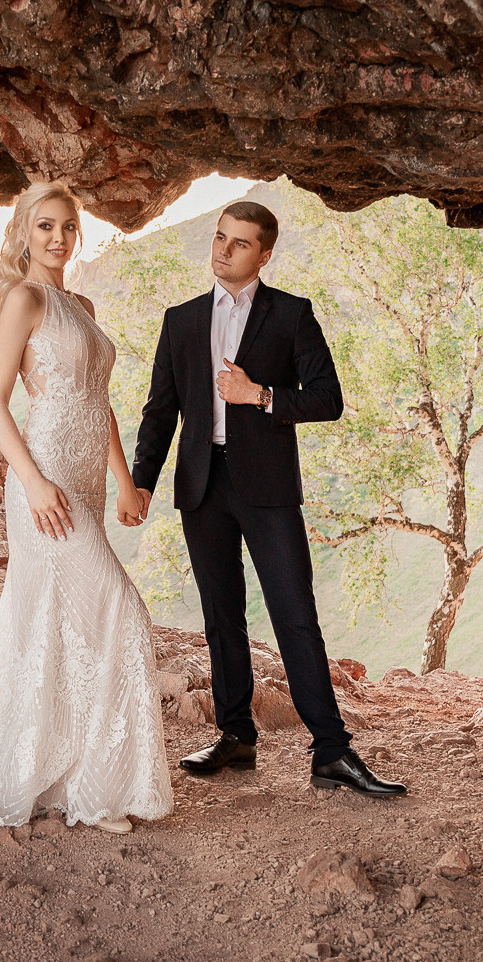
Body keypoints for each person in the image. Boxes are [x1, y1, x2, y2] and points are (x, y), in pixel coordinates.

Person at [130, 200, 405, 797]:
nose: (223, 250)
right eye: (219, 237)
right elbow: (161, 410)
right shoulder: (181, 320)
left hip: (268, 488)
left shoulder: (292, 315)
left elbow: (328, 398)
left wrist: (258, 395)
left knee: (294, 616)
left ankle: (331, 752)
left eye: (239, 243)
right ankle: (236, 736)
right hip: (202, 485)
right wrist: (141, 481)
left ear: (264, 254)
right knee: (220, 616)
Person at [0, 181, 173, 833]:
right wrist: (33, 482)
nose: (58, 237)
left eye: (68, 226)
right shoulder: (23, 299)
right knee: (120, 610)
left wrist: (128, 481)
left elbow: (97, 403)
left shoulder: (80, 302)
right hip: (44, 481)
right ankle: (98, 788)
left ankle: (76, 780)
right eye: (45, 225)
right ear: (25, 231)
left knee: (67, 626)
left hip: (87, 482)